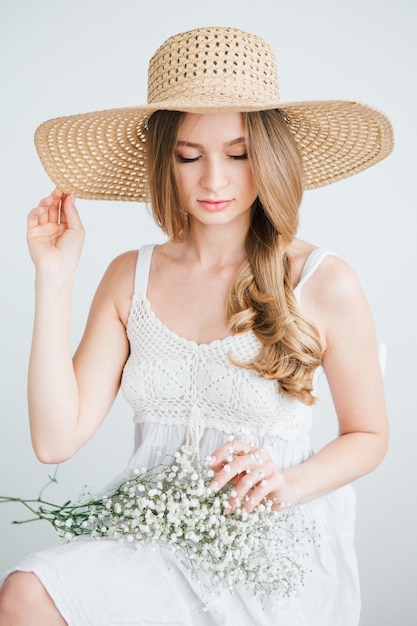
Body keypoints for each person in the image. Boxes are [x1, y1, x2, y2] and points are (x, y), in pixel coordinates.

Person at [0, 25, 393, 626]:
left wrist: (286, 485)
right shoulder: (128, 276)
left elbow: (369, 435)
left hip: (270, 548)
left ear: (269, 156)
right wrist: (53, 278)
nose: (213, 180)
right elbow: (55, 441)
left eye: (238, 154)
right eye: (189, 156)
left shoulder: (321, 279)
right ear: (166, 161)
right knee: (25, 592)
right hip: (150, 540)